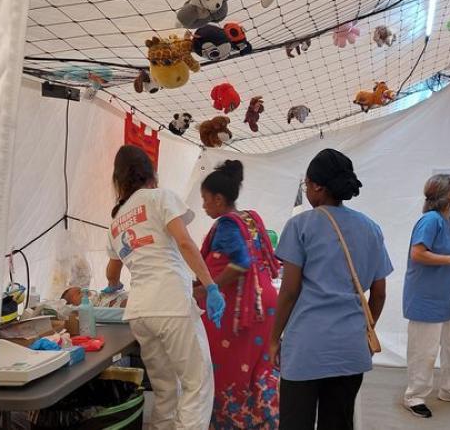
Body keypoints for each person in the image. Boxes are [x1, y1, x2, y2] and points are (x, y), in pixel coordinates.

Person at [270, 148, 393, 430]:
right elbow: (380, 292)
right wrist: (367, 328)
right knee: (338, 422)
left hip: (306, 347)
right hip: (351, 348)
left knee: (295, 423)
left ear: (316, 186)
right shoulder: (371, 228)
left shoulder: (300, 225)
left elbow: (289, 291)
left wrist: (274, 337)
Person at [104, 145, 225, 430]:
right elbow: (184, 243)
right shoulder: (160, 198)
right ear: (150, 174)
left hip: (140, 313)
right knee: (197, 384)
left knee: (165, 389)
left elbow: (112, 273)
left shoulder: (116, 221)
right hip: (171, 304)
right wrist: (210, 286)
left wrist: (113, 285)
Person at [195, 160, 280, 429]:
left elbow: (240, 263)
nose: (204, 206)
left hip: (239, 309)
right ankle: (263, 418)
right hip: (261, 302)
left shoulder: (227, 225)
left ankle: (232, 422)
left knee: (230, 367)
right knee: (257, 365)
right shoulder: (250, 218)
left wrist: (210, 288)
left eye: (205, 200)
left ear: (218, 199)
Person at [402, 174, 450, 419]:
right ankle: (414, 396)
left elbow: (443, 256)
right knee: (424, 351)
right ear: (446, 195)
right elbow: (418, 254)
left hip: (445, 299)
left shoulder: (448, 220)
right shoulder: (430, 220)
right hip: (425, 299)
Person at [61, 286, 128, 308]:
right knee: (124, 303)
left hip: (118, 296)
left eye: (81, 289)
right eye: (79, 292)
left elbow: (98, 296)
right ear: (73, 304)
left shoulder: (93, 294)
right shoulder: (82, 307)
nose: (83, 291)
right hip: (113, 303)